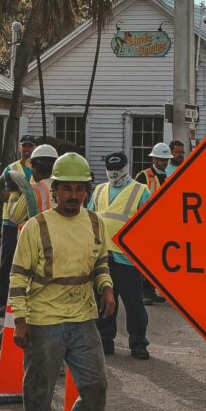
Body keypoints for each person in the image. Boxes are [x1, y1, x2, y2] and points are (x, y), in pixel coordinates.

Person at [9, 152, 115, 411]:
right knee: (38, 391)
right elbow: (17, 277)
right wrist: (21, 321)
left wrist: (107, 287)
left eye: (79, 189)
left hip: (83, 317)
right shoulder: (36, 227)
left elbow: (100, 263)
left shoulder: (95, 223)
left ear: (87, 190)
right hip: (44, 320)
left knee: (95, 386)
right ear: (54, 190)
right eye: (66, 189)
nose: (73, 195)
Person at [89, 152, 152, 359]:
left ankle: (138, 342)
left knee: (133, 302)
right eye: (111, 169)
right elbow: (89, 219)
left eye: (118, 169)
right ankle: (105, 340)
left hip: (128, 259)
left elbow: (151, 223)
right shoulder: (99, 190)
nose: (114, 173)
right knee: (104, 302)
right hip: (102, 257)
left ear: (126, 167)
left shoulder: (140, 191)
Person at [0, 134, 38, 316]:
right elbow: (3, 194)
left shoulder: (38, 168)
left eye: (31, 146)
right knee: (8, 262)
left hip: (31, 221)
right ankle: (2, 301)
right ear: (20, 148)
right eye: (24, 146)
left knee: (29, 263)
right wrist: (19, 192)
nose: (27, 149)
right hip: (11, 222)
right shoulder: (11, 169)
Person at [135, 142, 172, 305]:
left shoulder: (167, 177)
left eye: (166, 160)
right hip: (145, 224)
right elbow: (135, 199)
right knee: (143, 261)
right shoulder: (143, 176)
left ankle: (150, 290)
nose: (164, 162)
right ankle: (142, 291)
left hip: (161, 225)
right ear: (154, 159)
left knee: (155, 261)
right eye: (162, 159)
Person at [6, 145, 58, 226]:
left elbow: (14, 218)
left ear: (36, 167)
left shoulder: (33, 189)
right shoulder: (63, 186)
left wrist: (14, 193)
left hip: (40, 236)